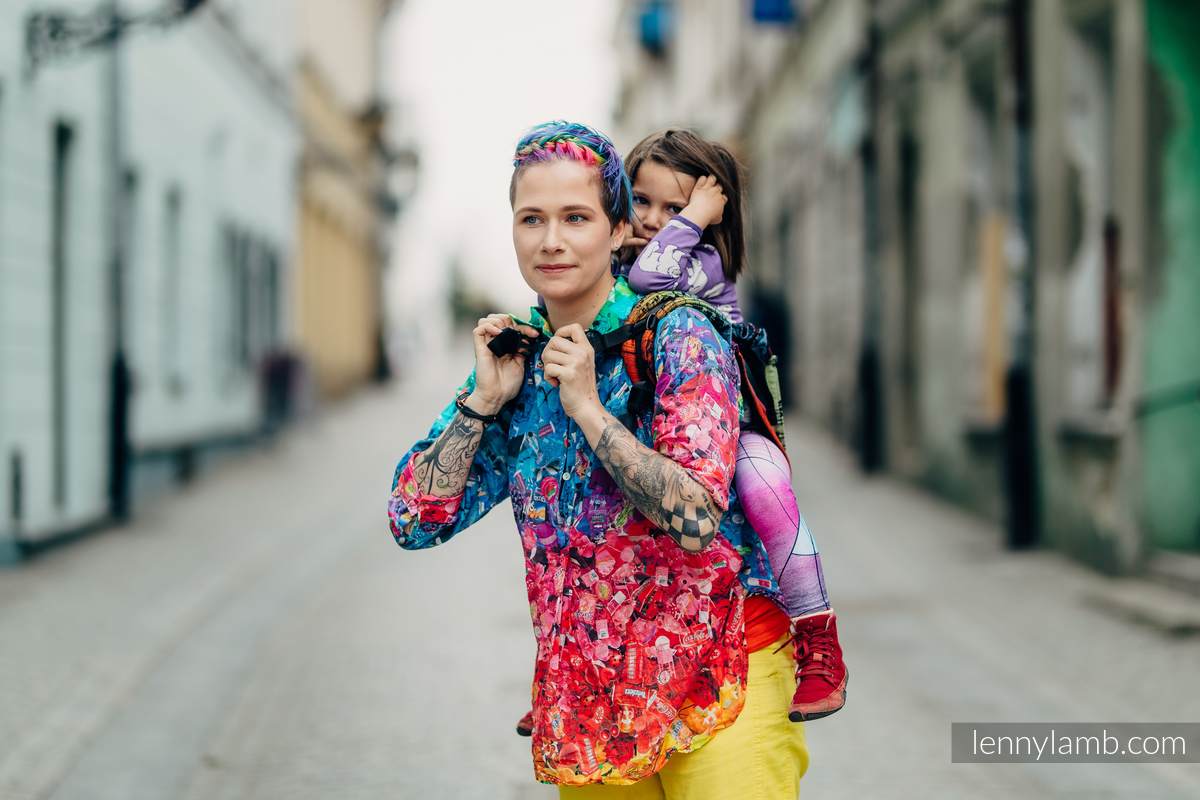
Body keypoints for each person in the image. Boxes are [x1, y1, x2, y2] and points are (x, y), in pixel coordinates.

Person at [388, 120, 807, 796]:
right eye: (532, 219)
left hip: (721, 678)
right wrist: (482, 404)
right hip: (593, 707)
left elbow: (697, 517)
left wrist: (588, 408)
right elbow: (412, 520)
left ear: (617, 230)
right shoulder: (517, 359)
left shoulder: (678, 333)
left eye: (575, 217)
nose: (551, 240)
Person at [620, 129, 848, 722]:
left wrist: (694, 219)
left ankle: (818, 636)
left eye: (674, 206)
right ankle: (570, 667)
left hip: (735, 429)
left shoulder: (701, 261)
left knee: (768, 494)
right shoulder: (615, 260)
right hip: (646, 434)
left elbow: (648, 281)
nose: (653, 219)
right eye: (641, 200)